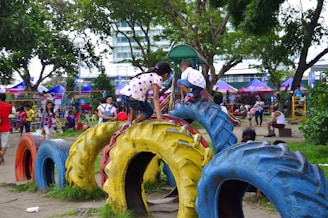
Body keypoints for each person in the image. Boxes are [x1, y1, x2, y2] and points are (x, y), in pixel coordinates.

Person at [240, 128, 262, 198]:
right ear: (254, 138)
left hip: (242, 183)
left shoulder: (239, 149)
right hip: (251, 183)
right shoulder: (256, 149)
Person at [0, 93, 12, 165]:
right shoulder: (9, 106)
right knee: (4, 144)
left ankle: (1, 158)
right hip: (5, 127)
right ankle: (1, 158)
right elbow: (10, 113)